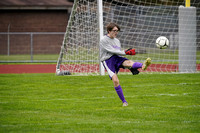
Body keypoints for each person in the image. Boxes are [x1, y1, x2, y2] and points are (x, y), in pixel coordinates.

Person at [100, 22, 151, 107]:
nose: (116, 32)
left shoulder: (117, 41)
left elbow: (118, 53)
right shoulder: (103, 40)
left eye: (117, 31)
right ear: (109, 31)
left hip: (117, 57)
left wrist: (128, 64)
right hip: (108, 60)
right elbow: (111, 50)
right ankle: (124, 101)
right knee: (116, 81)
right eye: (114, 30)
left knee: (129, 63)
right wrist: (125, 52)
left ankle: (143, 65)